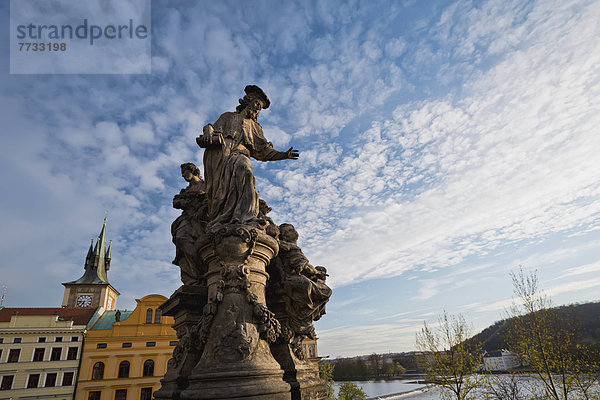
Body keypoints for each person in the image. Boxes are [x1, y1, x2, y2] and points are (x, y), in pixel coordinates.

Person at [196, 85, 299, 227]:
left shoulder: (255, 127)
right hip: (220, 158)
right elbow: (212, 128)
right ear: (248, 101)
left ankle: (247, 217)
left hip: (240, 154)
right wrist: (208, 129)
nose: (258, 108)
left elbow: (263, 151)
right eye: (257, 103)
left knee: (246, 172)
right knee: (219, 196)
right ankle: (221, 218)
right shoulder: (228, 117)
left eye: (260, 107)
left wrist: (283, 155)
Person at [171, 163, 207, 285]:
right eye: (182, 174)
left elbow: (214, 198)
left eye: (185, 173)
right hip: (188, 219)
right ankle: (195, 274)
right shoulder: (185, 190)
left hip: (204, 219)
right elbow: (175, 201)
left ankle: (203, 271)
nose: (183, 176)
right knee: (181, 237)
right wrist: (182, 202)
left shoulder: (206, 185)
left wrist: (202, 209)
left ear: (193, 171)